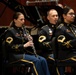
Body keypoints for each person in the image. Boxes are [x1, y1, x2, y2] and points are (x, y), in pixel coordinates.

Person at [38, 8, 63, 75]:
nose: (56, 18)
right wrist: (53, 43)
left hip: (60, 52)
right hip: (48, 53)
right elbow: (42, 45)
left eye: (57, 16)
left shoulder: (61, 28)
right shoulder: (44, 29)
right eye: (53, 16)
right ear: (48, 17)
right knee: (58, 60)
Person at [55, 6, 76, 74]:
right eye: (71, 14)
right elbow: (62, 45)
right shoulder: (61, 28)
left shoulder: (73, 27)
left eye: (74, 14)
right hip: (66, 55)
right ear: (64, 16)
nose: (73, 16)